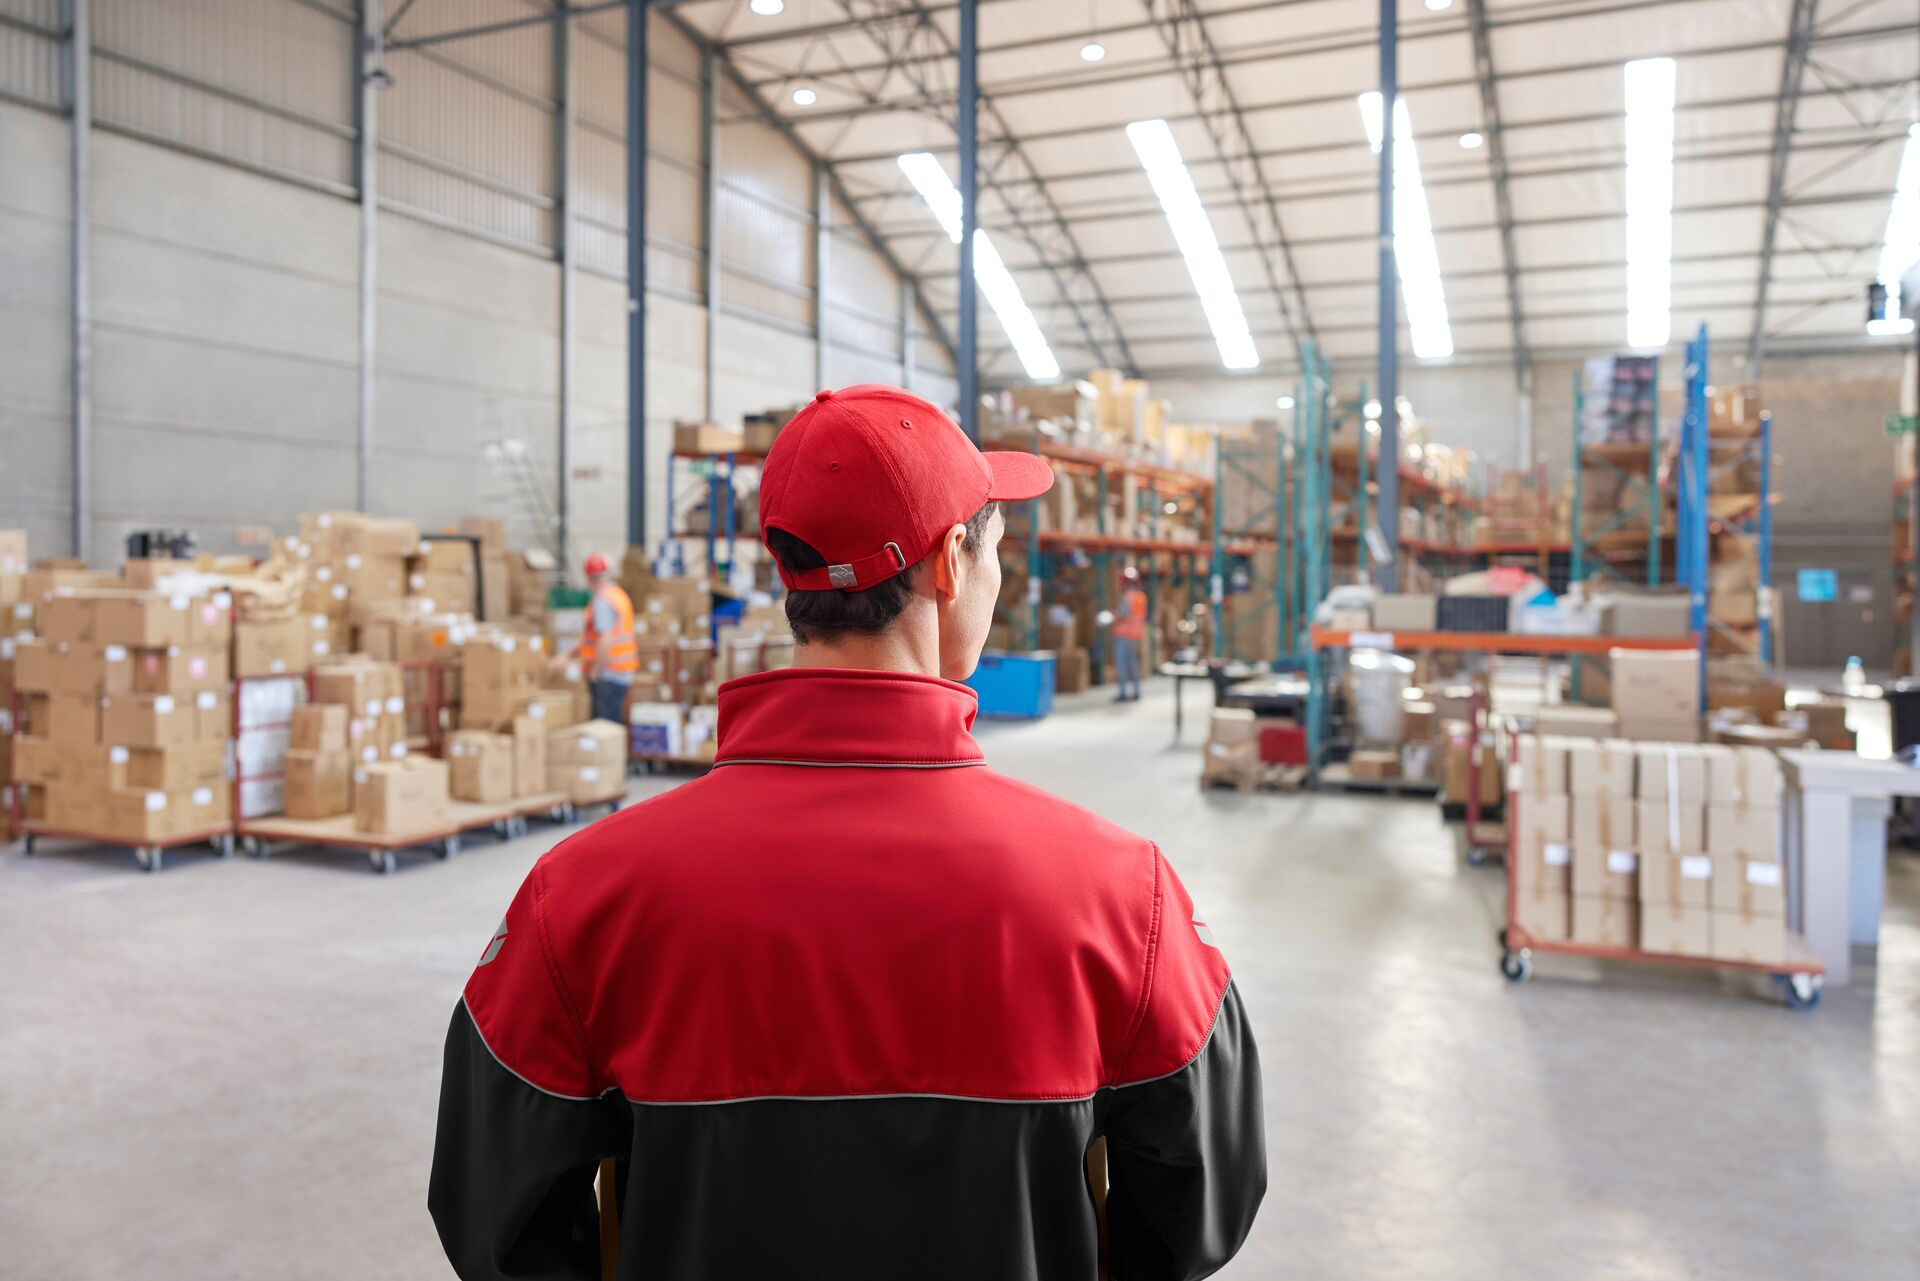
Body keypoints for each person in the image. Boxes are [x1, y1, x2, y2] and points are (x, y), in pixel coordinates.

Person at [430, 385, 1265, 1280]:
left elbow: (492, 1216)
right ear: (950, 563)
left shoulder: (582, 897)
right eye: (994, 555)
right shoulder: (1120, 896)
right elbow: (1203, 1201)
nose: (994, 581)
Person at [564, 552, 636, 726]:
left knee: (605, 728)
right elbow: (593, 638)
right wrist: (567, 654)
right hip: (621, 671)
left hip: (608, 673)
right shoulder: (618, 595)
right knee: (612, 725)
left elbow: (605, 638)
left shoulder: (603, 601)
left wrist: (596, 669)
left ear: (589, 578)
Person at [1110, 564, 1149, 701]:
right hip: (1135, 634)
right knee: (1133, 663)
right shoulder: (1141, 597)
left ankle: (1122, 693)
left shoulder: (1126, 597)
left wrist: (1112, 616)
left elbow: (1123, 614)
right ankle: (1136, 691)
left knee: (1122, 663)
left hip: (1123, 634)